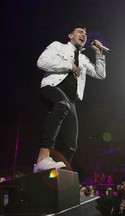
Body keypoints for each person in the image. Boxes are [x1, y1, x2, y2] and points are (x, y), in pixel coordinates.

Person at [33, 24, 106, 173]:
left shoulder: (84, 59)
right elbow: (41, 62)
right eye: (80, 32)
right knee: (62, 104)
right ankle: (41, 159)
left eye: (85, 34)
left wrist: (98, 53)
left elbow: (100, 74)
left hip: (70, 100)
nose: (84, 35)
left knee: (71, 143)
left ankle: (59, 175)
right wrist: (68, 65)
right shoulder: (58, 46)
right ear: (70, 35)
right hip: (52, 87)